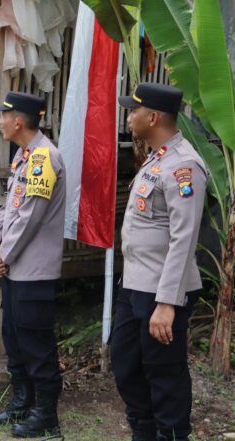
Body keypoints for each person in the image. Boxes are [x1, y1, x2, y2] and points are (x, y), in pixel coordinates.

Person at [112, 83, 207, 441]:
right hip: (135, 285)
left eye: (133, 110)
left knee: (163, 374)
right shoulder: (158, 158)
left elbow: (183, 240)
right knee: (125, 366)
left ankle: (171, 435)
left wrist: (168, 302)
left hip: (161, 292)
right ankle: (144, 432)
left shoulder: (184, 167)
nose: (129, 116)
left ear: (152, 117)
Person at [0, 92, 66, 438]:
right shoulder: (25, 156)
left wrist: (5, 254)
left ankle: (46, 416)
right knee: (14, 337)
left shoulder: (44, 158)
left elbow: (31, 216)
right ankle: (22, 403)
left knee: (35, 342)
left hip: (33, 270)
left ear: (18, 120)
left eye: (2, 117)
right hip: (15, 266)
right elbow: (10, 208)